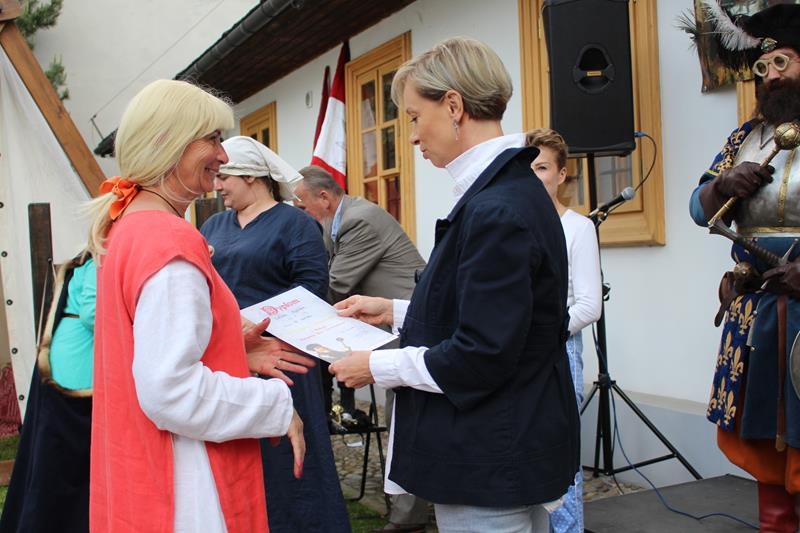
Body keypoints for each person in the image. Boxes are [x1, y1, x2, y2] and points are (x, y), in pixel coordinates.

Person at [330, 37, 580, 532]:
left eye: (414, 118)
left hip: (489, 457)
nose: (413, 137)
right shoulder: (510, 190)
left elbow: (481, 353)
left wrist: (376, 365)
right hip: (503, 446)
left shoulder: (497, 207)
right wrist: (395, 311)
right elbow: (498, 314)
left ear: (453, 106)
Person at [86, 79, 305, 532]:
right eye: (213, 139)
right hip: (187, 483)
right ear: (170, 142)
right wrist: (275, 404)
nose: (223, 156)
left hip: (146, 466)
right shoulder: (168, 238)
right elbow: (171, 391)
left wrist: (229, 350)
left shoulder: (131, 226)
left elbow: (147, 350)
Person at [200, 136, 350, 533]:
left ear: (251, 175)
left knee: (288, 455)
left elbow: (312, 289)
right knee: (238, 451)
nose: (217, 185)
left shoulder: (295, 223)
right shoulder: (214, 225)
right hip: (231, 357)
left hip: (283, 356)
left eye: (225, 177)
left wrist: (259, 321)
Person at [689, 5, 800, 531]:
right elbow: (697, 208)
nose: (770, 75)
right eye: (762, 67)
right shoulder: (743, 138)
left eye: (782, 61)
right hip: (755, 315)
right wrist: (723, 185)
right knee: (763, 453)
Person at [294, 165, 430, 533]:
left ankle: (409, 517)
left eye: (302, 206)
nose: (300, 214)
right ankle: (413, 509)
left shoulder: (359, 221)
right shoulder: (339, 222)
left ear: (324, 198)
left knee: (407, 419)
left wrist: (287, 311)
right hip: (391, 327)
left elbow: (335, 284)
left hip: (412, 325)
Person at [526, 128, 602, 533]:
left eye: (542, 167)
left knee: (560, 457)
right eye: (529, 167)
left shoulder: (578, 228)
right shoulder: (514, 225)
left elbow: (589, 305)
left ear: (560, 174)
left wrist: (541, 333)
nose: (534, 176)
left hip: (559, 349)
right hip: (515, 354)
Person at [0, 251, 95, 532]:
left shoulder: (93, 258)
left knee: (55, 461)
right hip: (77, 369)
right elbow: (93, 313)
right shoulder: (101, 259)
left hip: (70, 362)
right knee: (64, 466)